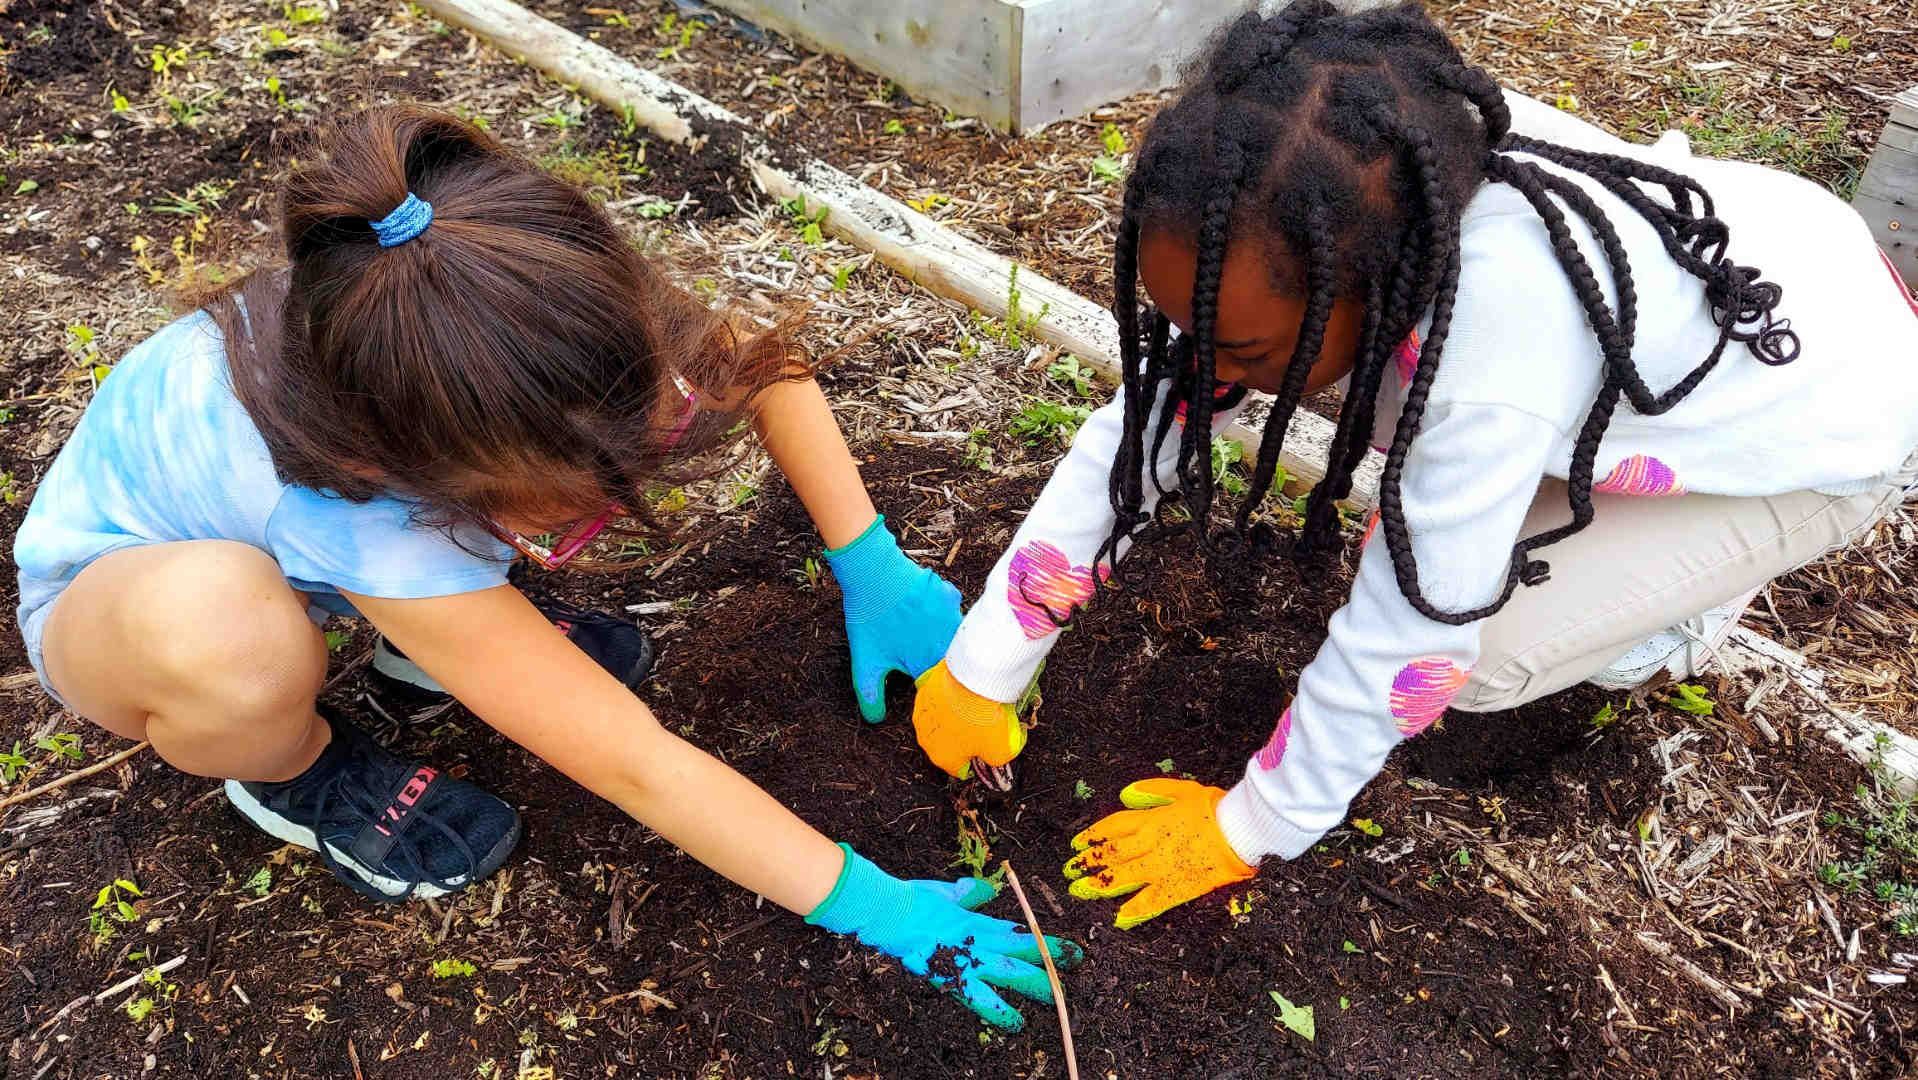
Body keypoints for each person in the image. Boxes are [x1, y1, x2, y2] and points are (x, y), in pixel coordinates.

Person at [11, 106, 1075, 1029]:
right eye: (564, 513)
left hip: (353, 543)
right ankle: (297, 770)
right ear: (437, 478)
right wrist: (877, 907)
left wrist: (871, 566)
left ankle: (433, 649)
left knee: (459, 589)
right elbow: (634, 764)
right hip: (129, 606)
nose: (605, 514)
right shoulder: (364, 507)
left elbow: (758, 363)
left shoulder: (530, 321)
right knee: (234, 644)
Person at [910, 1, 1918, 928]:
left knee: (1480, 654)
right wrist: (986, 661)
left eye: (1250, 356)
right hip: (1761, 268)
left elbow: (1412, 637)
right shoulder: (1358, 172)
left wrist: (1247, 825)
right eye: (1189, 331)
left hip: (1821, 425)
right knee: (1471, 497)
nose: (1210, 371)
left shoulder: (1485, 356)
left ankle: (1678, 617)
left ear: (1378, 287)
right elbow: (1148, 427)